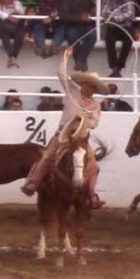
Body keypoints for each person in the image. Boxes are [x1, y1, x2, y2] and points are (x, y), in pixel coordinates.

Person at [22, 46, 107, 208]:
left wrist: (86, 120)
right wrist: (65, 57)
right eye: (86, 84)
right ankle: (33, 183)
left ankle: (91, 194)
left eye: (90, 86)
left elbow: (95, 124)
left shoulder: (96, 105)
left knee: (94, 166)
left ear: (94, 89)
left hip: (80, 138)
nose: (86, 87)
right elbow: (61, 74)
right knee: (47, 156)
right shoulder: (72, 91)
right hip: (63, 133)